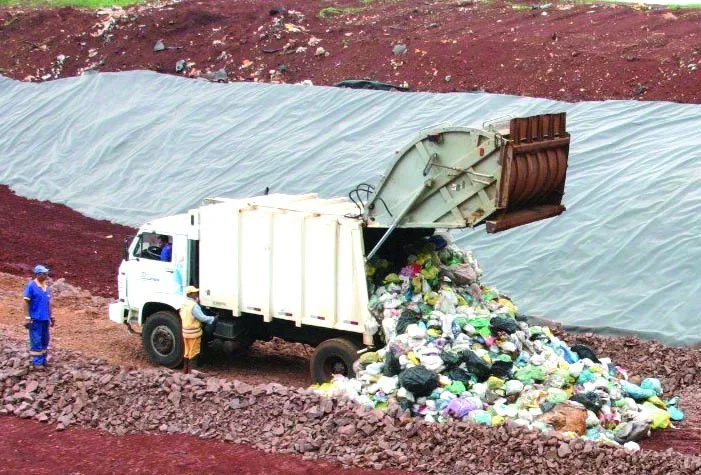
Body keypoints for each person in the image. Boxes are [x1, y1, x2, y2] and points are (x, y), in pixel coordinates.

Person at [179, 286, 216, 374]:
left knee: (187, 352)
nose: (197, 294)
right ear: (191, 294)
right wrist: (213, 319)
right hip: (194, 333)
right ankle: (192, 374)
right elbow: (202, 318)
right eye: (195, 293)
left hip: (185, 332)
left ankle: (185, 372)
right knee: (194, 351)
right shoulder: (194, 306)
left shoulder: (184, 304)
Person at [23, 265, 54, 368]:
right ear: (37, 274)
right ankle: (37, 362)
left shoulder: (46, 288)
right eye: (43, 274)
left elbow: (48, 303)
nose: (46, 276)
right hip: (35, 319)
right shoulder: (31, 286)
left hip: (45, 318)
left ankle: (44, 359)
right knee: (36, 339)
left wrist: (51, 316)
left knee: (45, 339)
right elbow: (26, 301)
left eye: (46, 274)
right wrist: (27, 317)